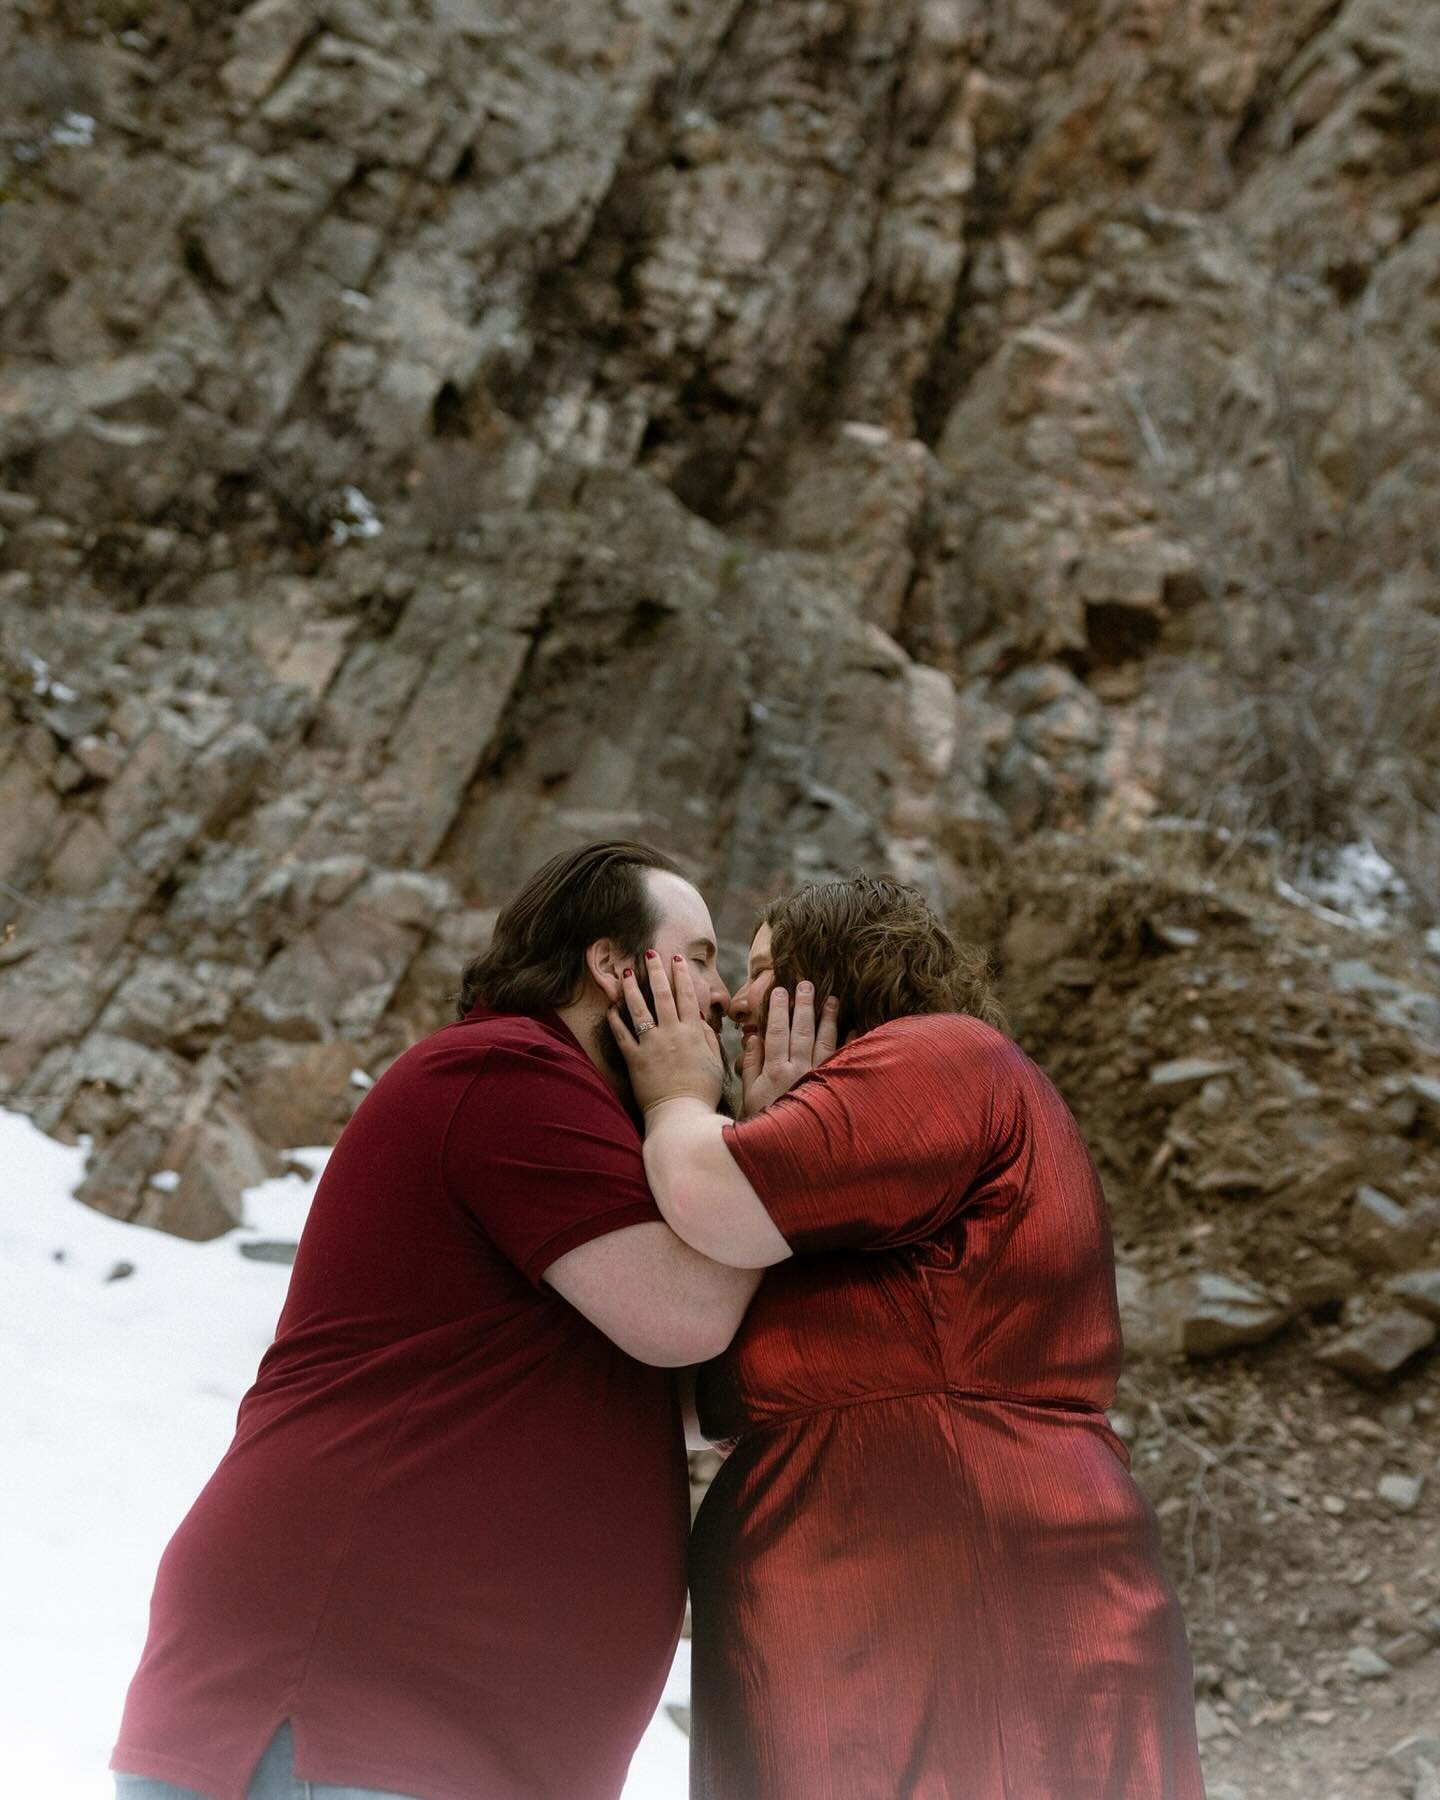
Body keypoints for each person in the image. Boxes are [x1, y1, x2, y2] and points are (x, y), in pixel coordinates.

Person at [112, 841, 755, 1800]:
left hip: (449, 1710)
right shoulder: (507, 1072)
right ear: (615, 966)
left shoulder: (599, 1138)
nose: (727, 996)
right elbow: (688, 1315)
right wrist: (696, 1103)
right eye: (701, 958)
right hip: (359, 1692)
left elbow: (706, 1392)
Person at [609, 876, 1206, 1800]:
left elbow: (705, 1193)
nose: (728, 1002)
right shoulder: (838, 1217)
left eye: (761, 970)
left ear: (838, 975)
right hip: (837, 1610)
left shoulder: (948, 1056)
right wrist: (775, 1125)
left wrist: (680, 1096)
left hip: (963, 1564)